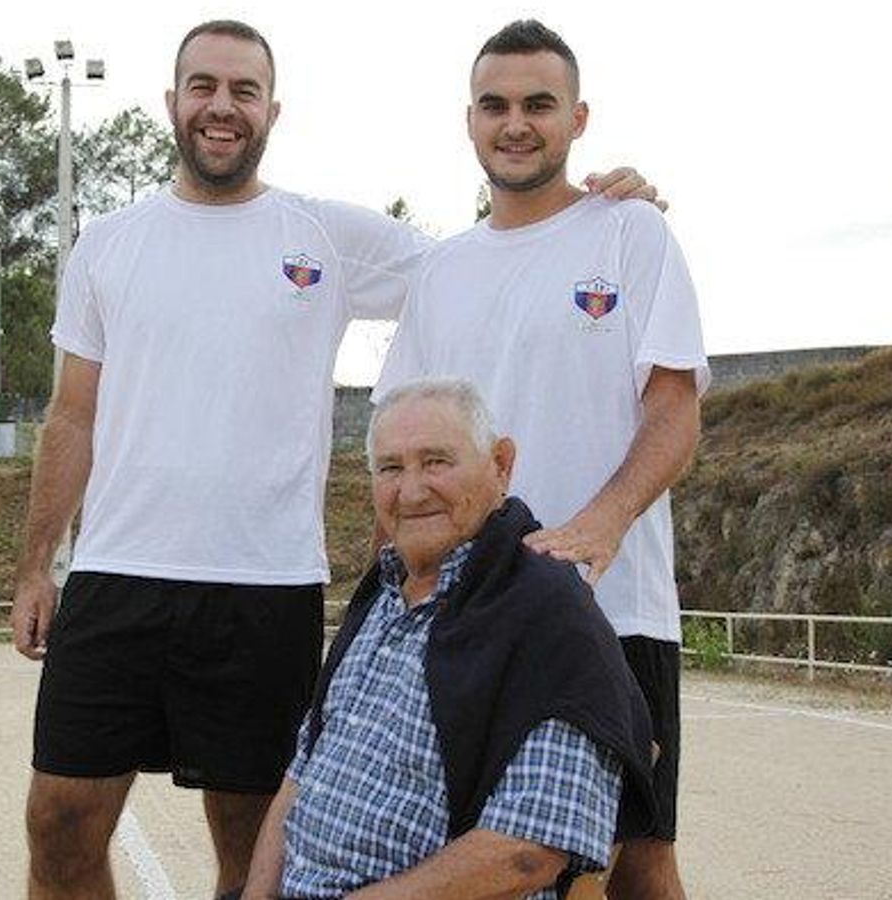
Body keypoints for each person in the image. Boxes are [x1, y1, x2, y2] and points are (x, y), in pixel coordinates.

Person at [11, 19, 661, 899]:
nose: (222, 107)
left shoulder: (325, 235)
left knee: (255, 849)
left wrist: (597, 218)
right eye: (204, 86)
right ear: (173, 103)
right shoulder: (108, 244)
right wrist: (35, 566)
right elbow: (73, 415)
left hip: (265, 586)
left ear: (271, 110)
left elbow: (494, 258)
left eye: (244, 91)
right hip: (117, 573)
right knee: (58, 822)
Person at [374, 20, 709, 900]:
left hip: (615, 612)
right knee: (479, 862)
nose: (515, 123)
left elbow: (675, 411)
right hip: (467, 616)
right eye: (496, 105)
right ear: (470, 120)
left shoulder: (631, 233)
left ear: (578, 118)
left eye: (538, 105)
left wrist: (599, 526)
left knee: (636, 861)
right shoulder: (441, 272)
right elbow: (401, 450)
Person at [241, 378, 658, 900]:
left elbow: (528, 852)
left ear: (501, 465)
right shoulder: (380, 597)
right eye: (391, 468)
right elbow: (302, 777)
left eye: (436, 462)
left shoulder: (548, 616)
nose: (411, 491)